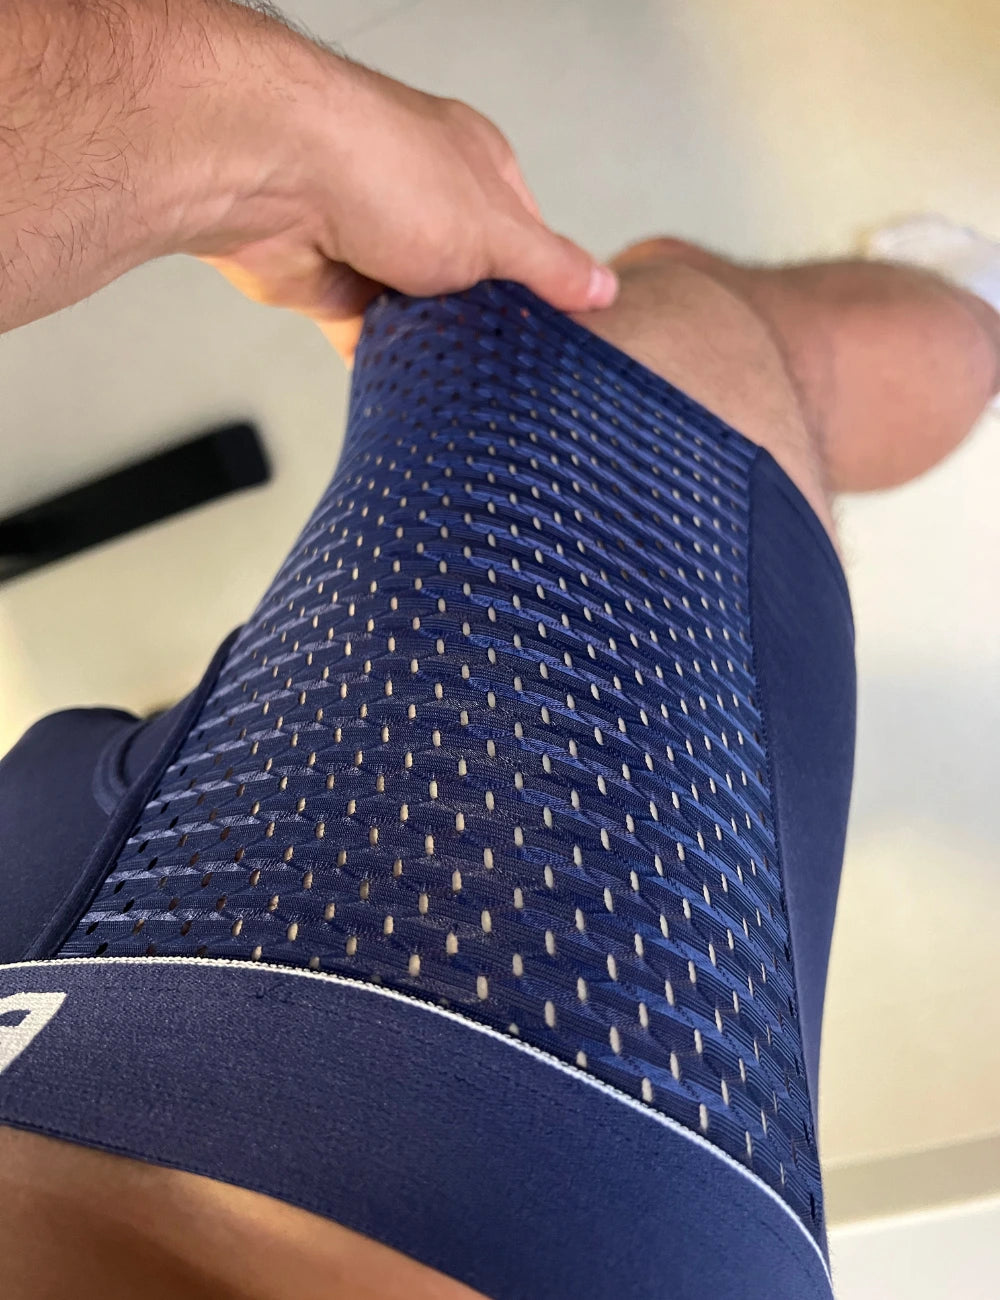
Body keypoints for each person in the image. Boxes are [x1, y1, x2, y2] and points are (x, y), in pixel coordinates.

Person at [1, 3, 998, 1299]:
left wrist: (259, 143)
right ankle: (971, 315)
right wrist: (262, 139)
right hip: (388, 1164)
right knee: (628, 330)